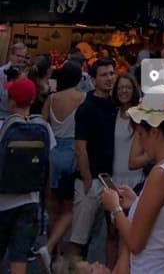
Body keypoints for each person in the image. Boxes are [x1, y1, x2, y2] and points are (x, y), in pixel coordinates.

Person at [102, 85, 164, 273]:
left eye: (141, 135)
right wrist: (137, 201)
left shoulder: (161, 173)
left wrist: (115, 208)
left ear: (154, 132)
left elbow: (135, 242)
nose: (141, 142)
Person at [0, 77, 56, 274]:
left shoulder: (3, 127)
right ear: (32, 101)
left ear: (11, 102)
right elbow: (48, 167)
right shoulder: (44, 128)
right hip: (29, 202)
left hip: (2, 202)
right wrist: (46, 200)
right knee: (19, 258)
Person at [37, 60, 86, 271]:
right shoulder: (82, 98)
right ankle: (53, 252)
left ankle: (52, 252)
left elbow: (42, 122)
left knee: (52, 206)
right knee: (68, 208)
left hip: (53, 152)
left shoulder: (52, 98)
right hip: (73, 152)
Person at [68, 58, 116, 263]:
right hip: (90, 181)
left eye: (112, 73)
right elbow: (81, 146)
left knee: (105, 235)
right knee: (79, 240)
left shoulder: (114, 105)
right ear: (94, 80)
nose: (109, 78)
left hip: (108, 180)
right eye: (104, 75)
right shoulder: (86, 107)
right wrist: (87, 179)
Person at [106, 73, 145, 268]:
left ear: (134, 90)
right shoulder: (112, 114)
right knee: (111, 232)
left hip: (135, 181)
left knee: (126, 233)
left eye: (128, 87)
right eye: (120, 87)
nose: (123, 91)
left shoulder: (140, 116)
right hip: (113, 179)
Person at [0, 43, 28, 119]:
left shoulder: (25, 75)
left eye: (23, 57)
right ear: (11, 55)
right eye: (18, 55)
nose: (20, 59)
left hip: (18, 117)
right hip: (2, 115)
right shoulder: (1, 72)